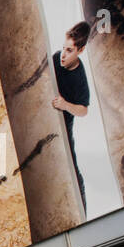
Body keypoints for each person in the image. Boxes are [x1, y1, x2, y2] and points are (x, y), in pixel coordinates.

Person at [51, 21, 92, 212]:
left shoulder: (79, 78)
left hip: (65, 126)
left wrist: (65, 105)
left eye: (69, 51)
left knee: (71, 168)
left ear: (80, 51)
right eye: (63, 49)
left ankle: (81, 212)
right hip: (48, 117)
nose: (63, 55)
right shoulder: (57, 58)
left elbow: (84, 110)